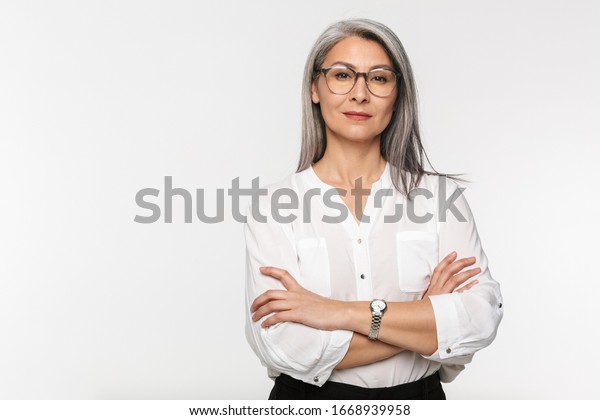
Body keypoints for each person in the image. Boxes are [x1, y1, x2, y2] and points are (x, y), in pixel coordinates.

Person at [244, 18, 503, 400]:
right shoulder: (273, 206)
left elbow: (479, 319)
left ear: (398, 92)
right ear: (314, 88)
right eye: (342, 75)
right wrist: (422, 317)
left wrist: (337, 312)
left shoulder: (440, 197)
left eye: (379, 78)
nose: (359, 94)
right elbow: (287, 347)